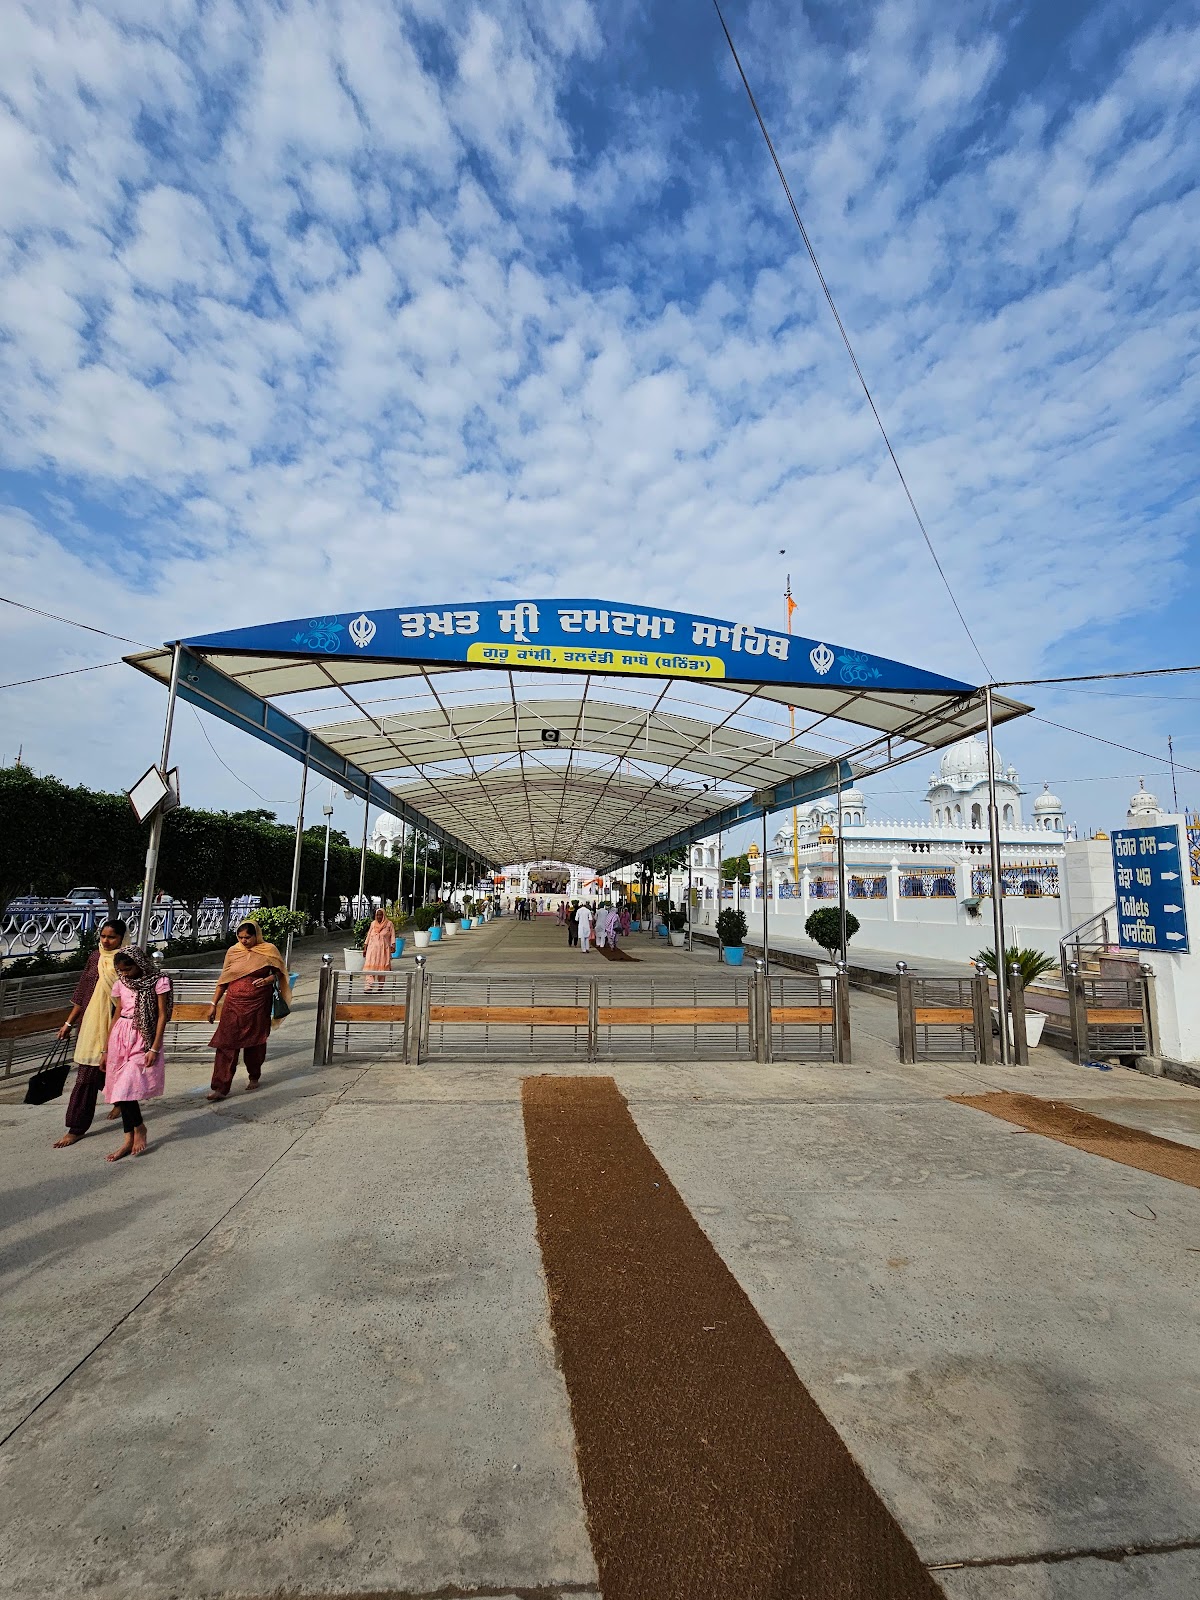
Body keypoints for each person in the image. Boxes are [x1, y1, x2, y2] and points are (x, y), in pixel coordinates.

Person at [53, 919, 128, 1148]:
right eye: (103, 936)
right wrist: (68, 1022)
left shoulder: (129, 959)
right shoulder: (95, 957)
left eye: (111, 937)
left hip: (118, 1024)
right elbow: (83, 991)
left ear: (122, 938)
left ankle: (116, 1103)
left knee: (109, 1069)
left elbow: (136, 994)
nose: (106, 941)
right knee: (88, 1073)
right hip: (91, 1023)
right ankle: (78, 1125)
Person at [206, 920, 292, 1100]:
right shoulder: (233, 951)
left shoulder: (268, 950)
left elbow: (280, 973)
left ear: (256, 935)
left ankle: (254, 1075)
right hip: (233, 1004)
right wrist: (213, 1004)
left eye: (247, 937)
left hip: (258, 1004)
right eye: (240, 937)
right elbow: (224, 980)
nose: (244, 941)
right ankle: (220, 1087)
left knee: (255, 1041)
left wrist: (268, 980)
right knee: (226, 1043)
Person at [103, 946, 172, 1161]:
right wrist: (106, 1049)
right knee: (119, 1092)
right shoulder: (121, 983)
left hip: (143, 1037)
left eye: (128, 969)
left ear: (139, 964)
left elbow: (162, 1016)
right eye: (120, 970)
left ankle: (139, 1129)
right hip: (120, 1036)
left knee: (126, 1088)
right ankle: (128, 1138)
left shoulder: (159, 981)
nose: (124, 974)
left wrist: (154, 1047)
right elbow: (117, 1014)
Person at [361, 906, 396, 993]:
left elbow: (393, 936)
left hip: (383, 950)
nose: (379, 917)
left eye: (380, 915)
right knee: (370, 968)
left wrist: (393, 945)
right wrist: (365, 947)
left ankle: (380, 987)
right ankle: (368, 986)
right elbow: (369, 935)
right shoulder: (373, 924)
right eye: (377, 915)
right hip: (372, 949)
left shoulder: (389, 924)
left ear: (383, 915)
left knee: (382, 968)